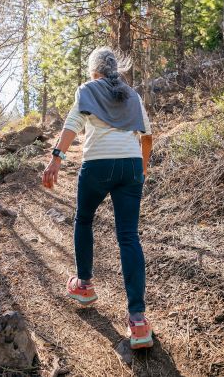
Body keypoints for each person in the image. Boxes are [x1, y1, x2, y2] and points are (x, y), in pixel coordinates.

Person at [42, 47, 154, 350]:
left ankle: (84, 286)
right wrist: (140, 171)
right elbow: (147, 137)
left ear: (94, 70)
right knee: (129, 236)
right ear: (116, 69)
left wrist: (56, 159)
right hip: (131, 164)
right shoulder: (132, 95)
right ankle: (138, 321)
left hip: (99, 164)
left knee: (84, 219)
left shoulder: (87, 89)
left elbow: (71, 127)